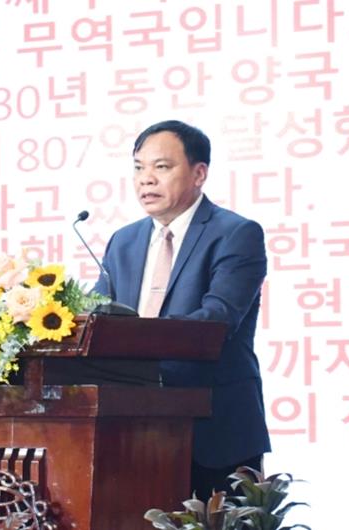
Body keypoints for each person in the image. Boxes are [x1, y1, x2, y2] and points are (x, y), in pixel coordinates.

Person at [93, 119, 271, 501]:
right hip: (130, 432)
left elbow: (217, 319)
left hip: (214, 432)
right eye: (138, 168)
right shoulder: (123, 241)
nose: (146, 179)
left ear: (199, 173)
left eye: (161, 167)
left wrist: (137, 341)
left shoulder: (236, 234)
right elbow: (98, 316)